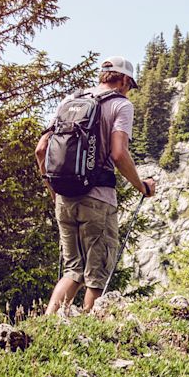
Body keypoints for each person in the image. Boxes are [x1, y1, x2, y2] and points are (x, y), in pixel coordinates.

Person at [35, 56, 155, 316]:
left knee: (72, 270)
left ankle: (49, 327)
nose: (128, 89)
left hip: (64, 198)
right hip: (98, 199)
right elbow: (119, 154)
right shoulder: (120, 106)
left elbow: (41, 148)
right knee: (97, 274)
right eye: (129, 84)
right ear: (123, 79)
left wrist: (53, 190)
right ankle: (89, 332)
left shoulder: (70, 102)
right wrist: (141, 187)